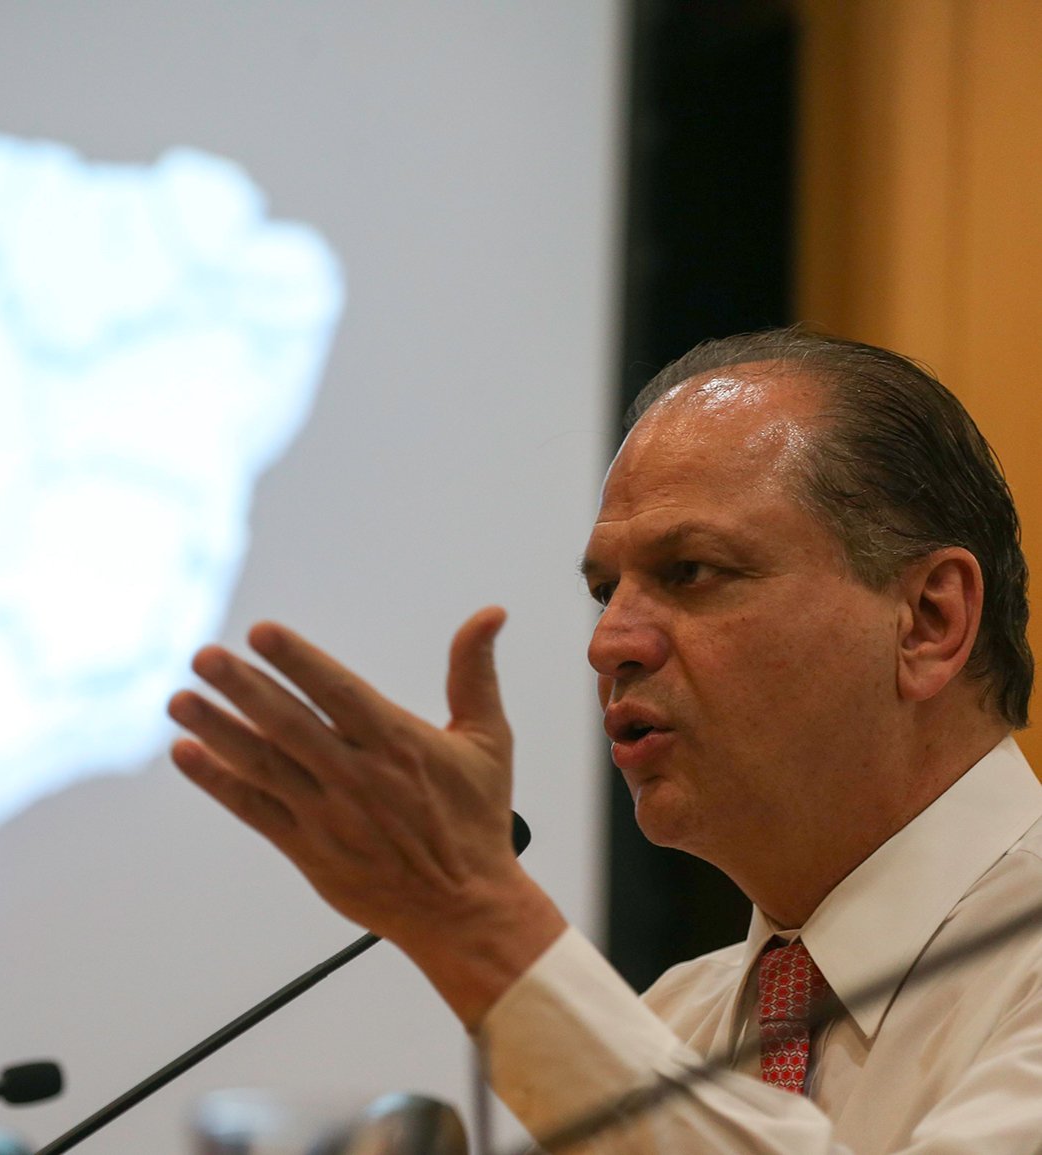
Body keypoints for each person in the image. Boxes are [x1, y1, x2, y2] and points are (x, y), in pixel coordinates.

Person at [166, 328, 1042, 1153]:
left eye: (690, 571)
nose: (609, 642)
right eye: (604, 589)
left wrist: (479, 923)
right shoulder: (674, 1021)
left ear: (929, 620)